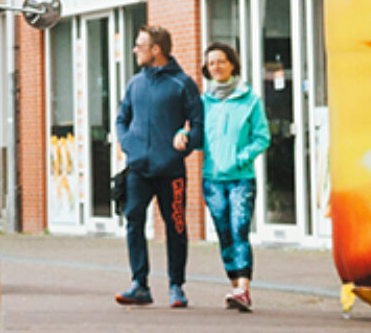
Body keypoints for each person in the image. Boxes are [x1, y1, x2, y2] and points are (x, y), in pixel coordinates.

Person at [113, 25, 205, 309]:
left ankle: (176, 286)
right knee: (134, 223)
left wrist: (187, 140)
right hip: (138, 170)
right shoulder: (134, 83)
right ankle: (139, 284)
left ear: (156, 50)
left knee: (176, 226)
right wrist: (129, 143)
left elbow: (199, 126)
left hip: (171, 171)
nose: (134, 50)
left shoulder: (182, 84)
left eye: (139, 45)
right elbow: (121, 119)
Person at [200, 42, 270, 312]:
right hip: (212, 179)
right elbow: (196, 135)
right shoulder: (203, 102)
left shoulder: (250, 100)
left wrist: (241, 157)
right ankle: (235, 285)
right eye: (211, 63)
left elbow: (262, 137)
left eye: (220, 61)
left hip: (241, 178)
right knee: (224, 232)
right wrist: (182, 136)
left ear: (232, 64)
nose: (215, 67)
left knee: (240, 228)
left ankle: (243, 287)